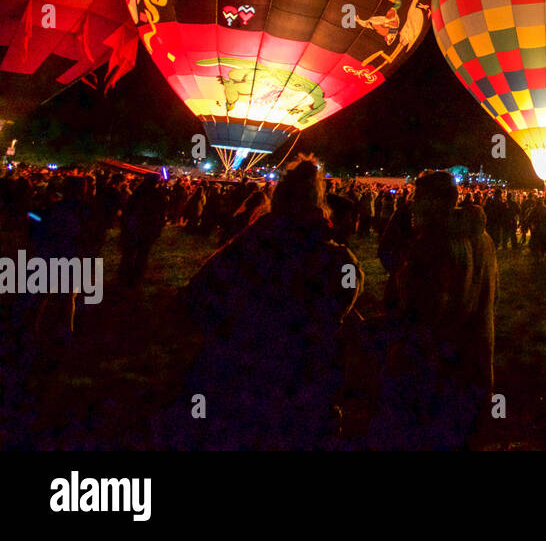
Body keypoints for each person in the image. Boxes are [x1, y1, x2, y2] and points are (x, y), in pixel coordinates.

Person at [177, 157, 362, 449]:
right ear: (320, 203)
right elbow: (338, 311)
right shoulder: (339, 260)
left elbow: (195, 296)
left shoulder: (247, 246)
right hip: (302, 383)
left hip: (237, 378)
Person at [371, 170, 497, 449]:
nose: (412, 204)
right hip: (473, 361)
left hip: (434, 371)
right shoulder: (484, 239)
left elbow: (422, 315)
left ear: (432, 201)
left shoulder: (432, 245)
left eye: (418, 197)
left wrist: (374, 329)